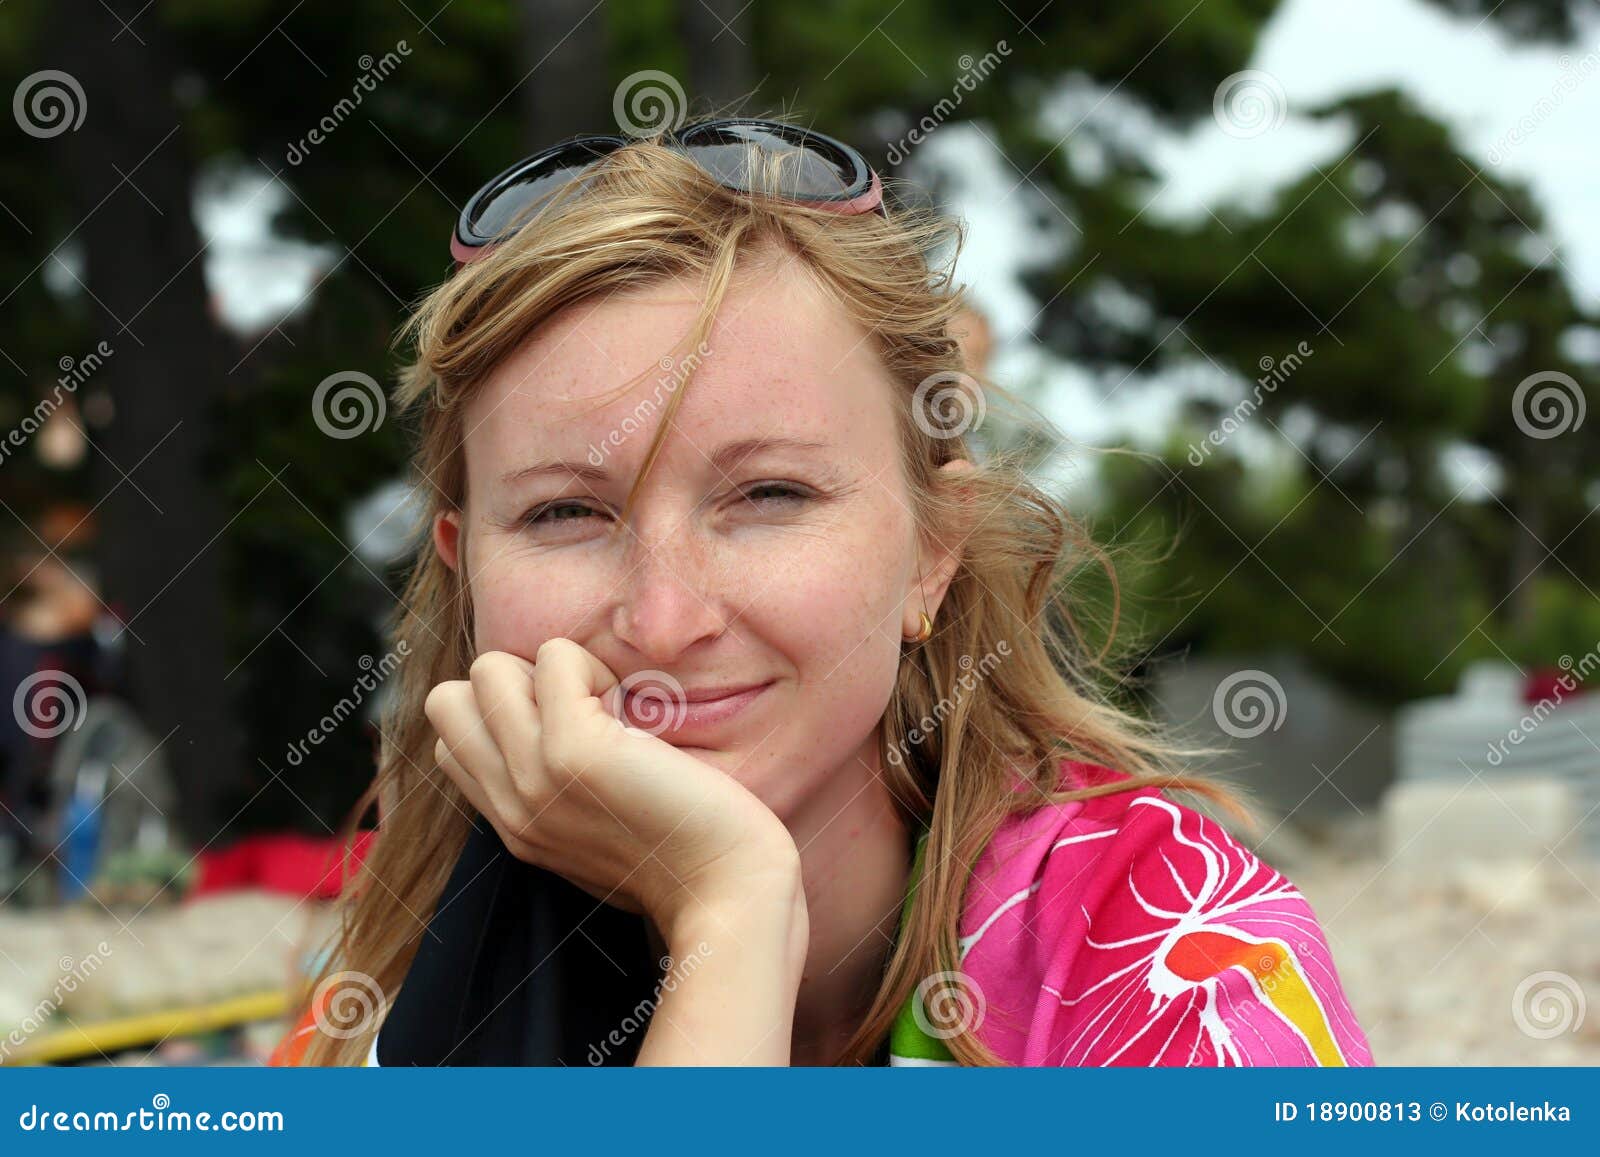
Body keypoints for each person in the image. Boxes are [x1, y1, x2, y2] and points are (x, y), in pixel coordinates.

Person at [286, 115, 1373, 1067]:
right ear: (462, 565)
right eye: (566, 512)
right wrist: (734, 914)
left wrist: (726, 907)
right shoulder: (407, 959)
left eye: (768, 493)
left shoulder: (1171, 944)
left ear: (932, 550)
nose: (662, 618)